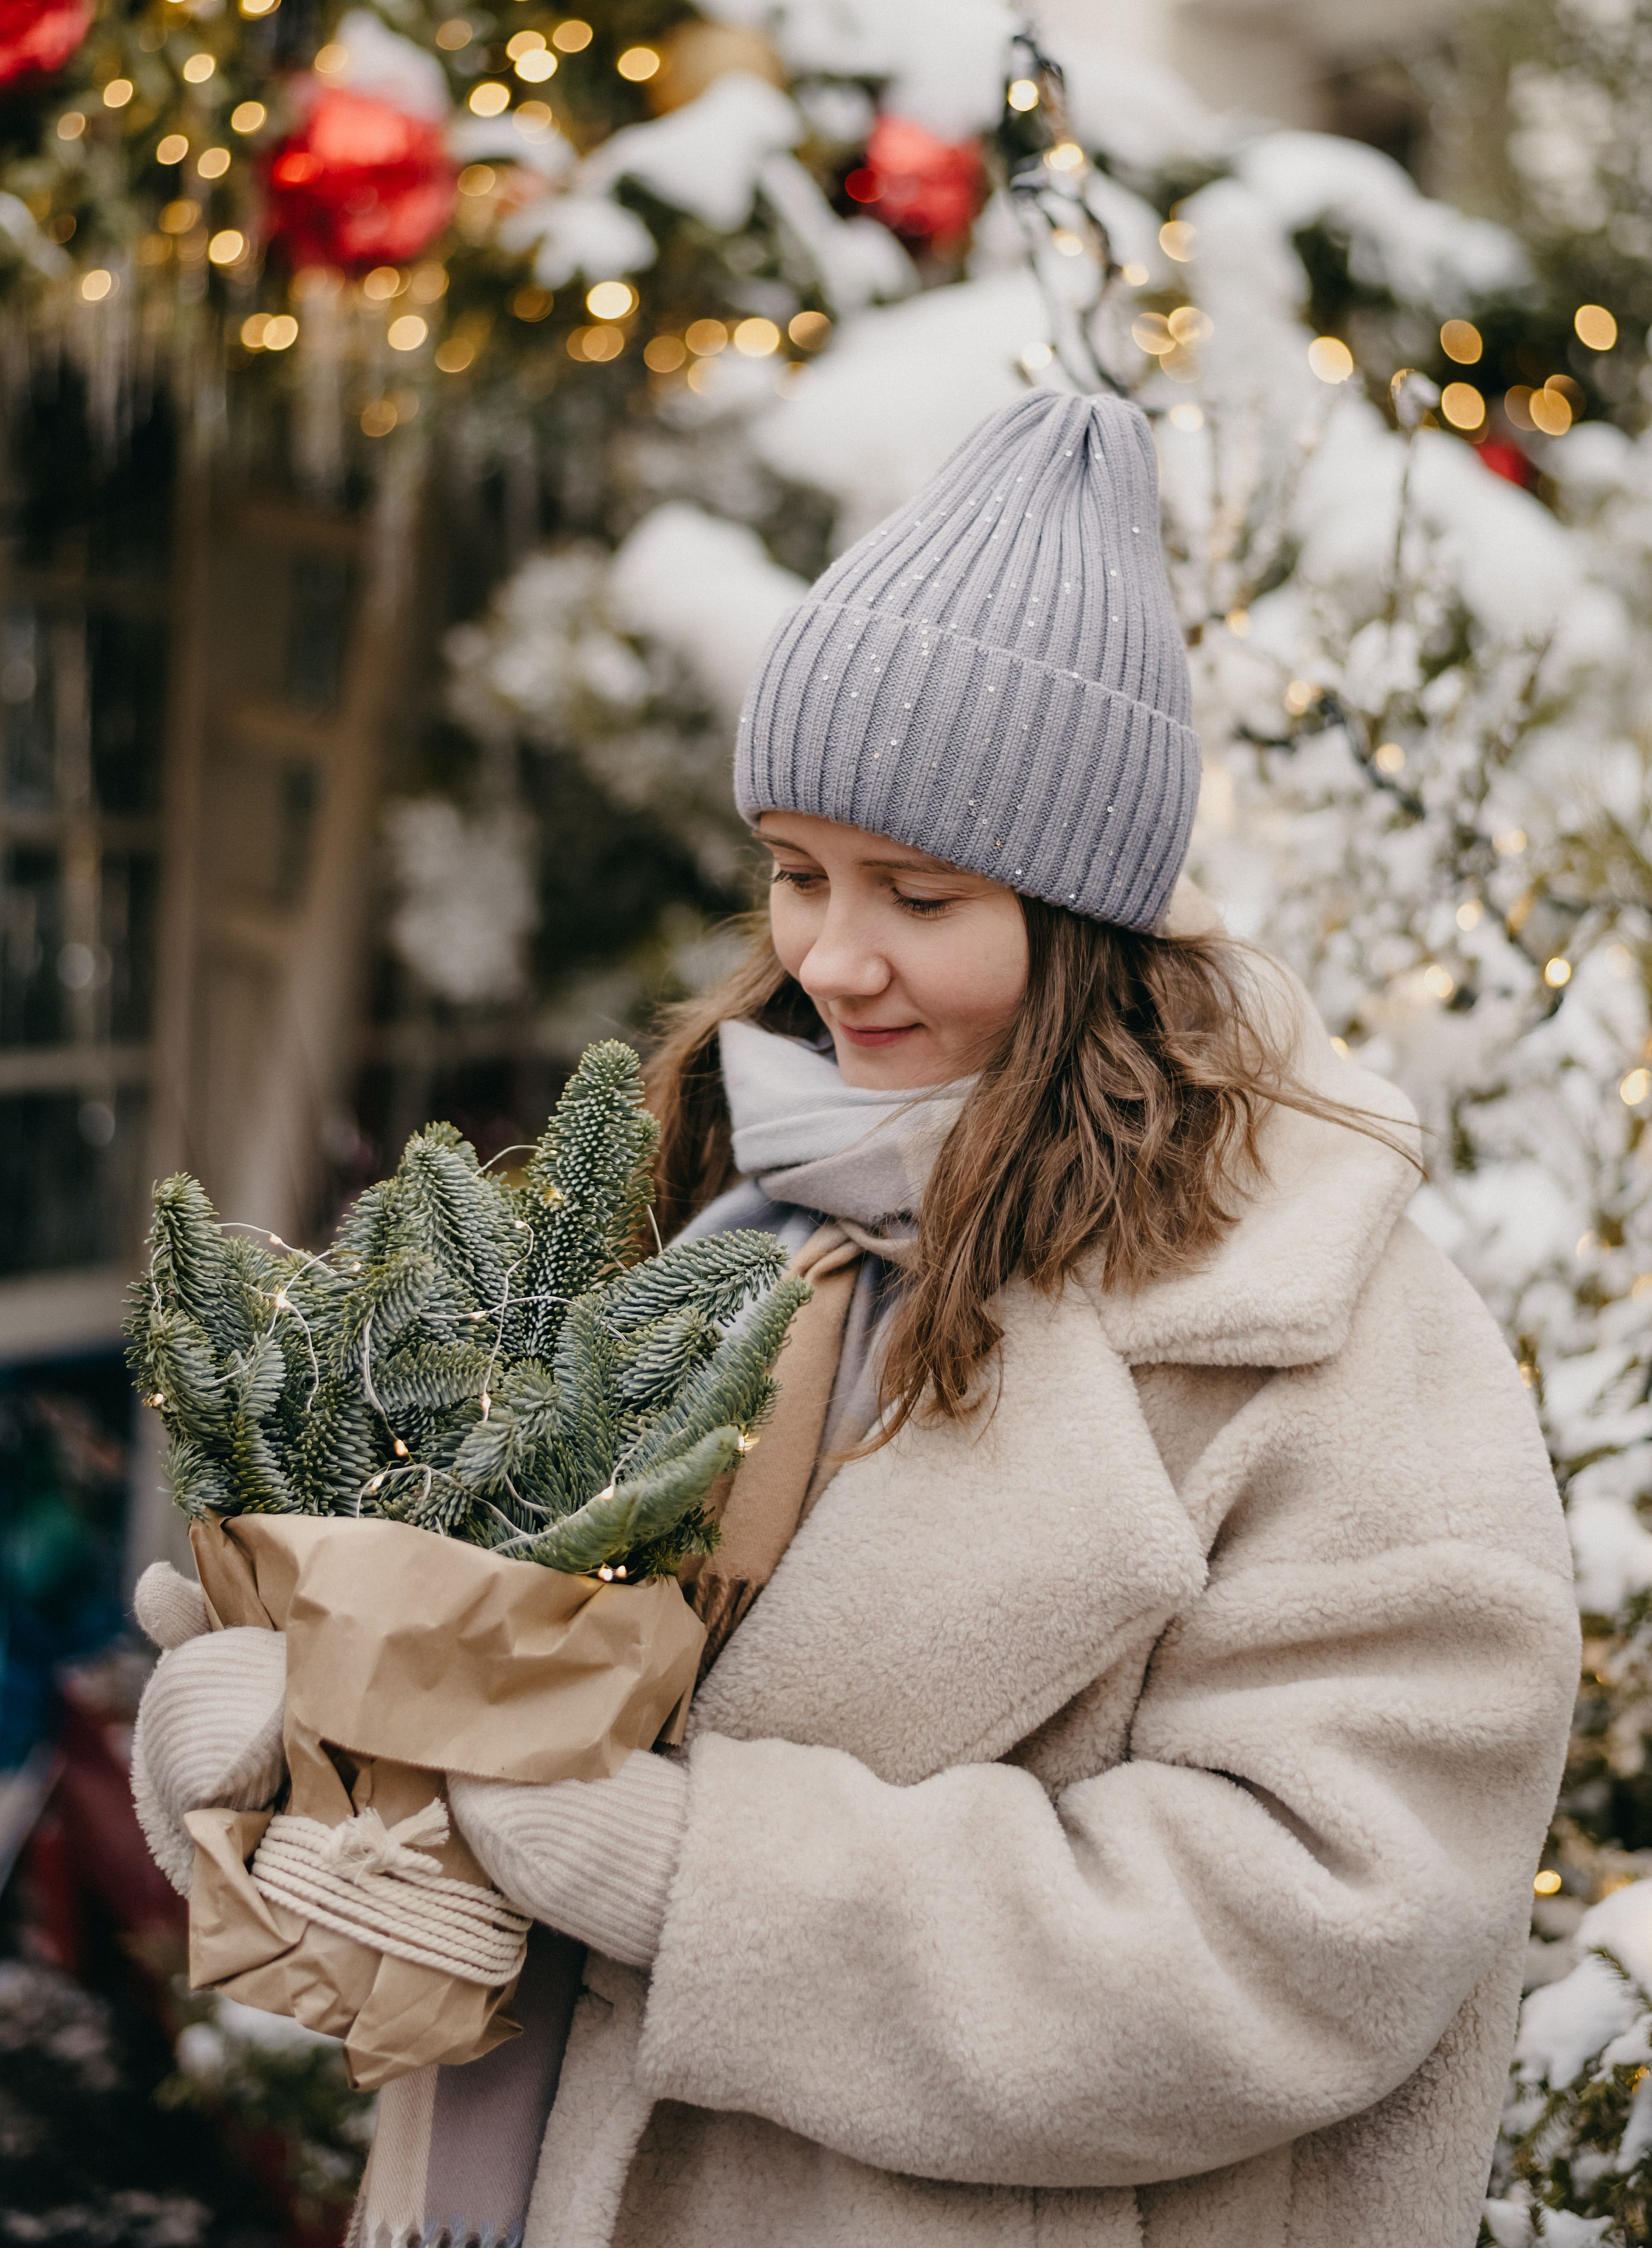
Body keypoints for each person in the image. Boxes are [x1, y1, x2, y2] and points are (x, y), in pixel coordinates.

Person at [132, 388, 1579, 2248]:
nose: (829, 956)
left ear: (1085, 918)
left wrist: (690, 1867)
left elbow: (1318, 1926)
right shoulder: (703, 1186)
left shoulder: (1316, 1318)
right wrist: (265, 1721)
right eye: (798, 872)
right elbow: (439, 1613)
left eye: (921, 892)